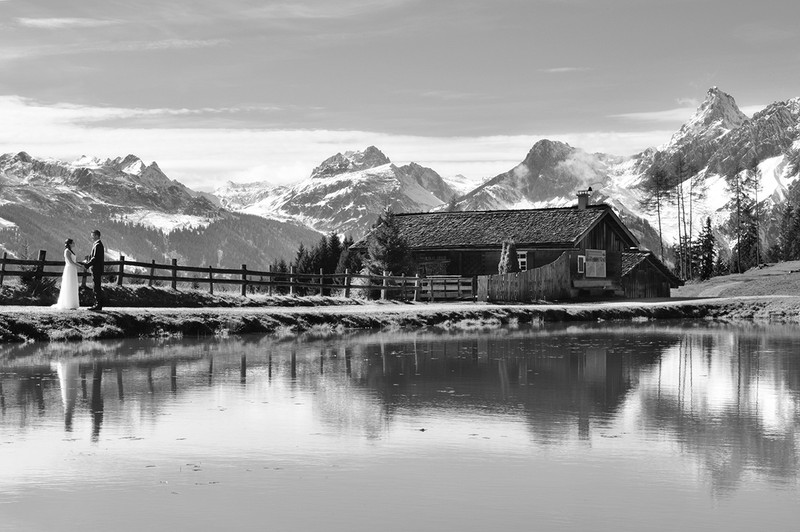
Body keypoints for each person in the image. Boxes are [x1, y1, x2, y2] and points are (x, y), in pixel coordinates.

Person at [52, 238, 80, 310]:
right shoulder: (67, 251)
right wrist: (79, 266)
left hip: (73, 269)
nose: (74, 244)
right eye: (73, 242)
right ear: (70, 244)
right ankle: (68, 303)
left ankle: (72, 304)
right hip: (69, 269)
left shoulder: (71, 251)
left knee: (73, 284)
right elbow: (70, 262)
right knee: (69, 284)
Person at [81, 230, 105, 311]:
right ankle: (97, 304)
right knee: (96, 286)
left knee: (96, 286)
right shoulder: (97, 245)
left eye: (93, 235)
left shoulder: (98, 245)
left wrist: (87, 265)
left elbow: (95, 258)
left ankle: (98, 304)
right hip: (96, 269)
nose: (91, 237)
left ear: (97, 236)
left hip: (96, 269)